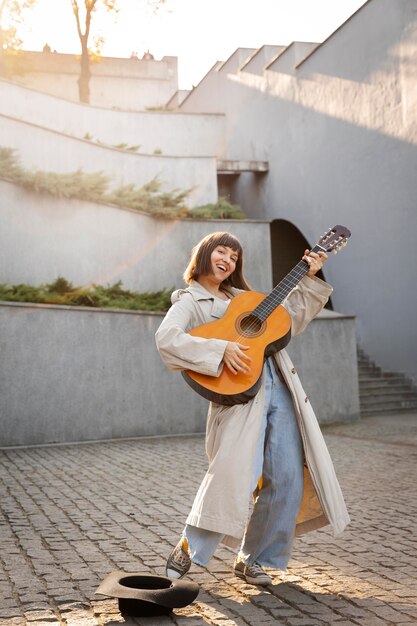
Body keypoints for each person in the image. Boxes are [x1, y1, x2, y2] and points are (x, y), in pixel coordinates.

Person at [155, 231, 350, 586]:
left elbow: (291, 317)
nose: (228, 259)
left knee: (288, 477)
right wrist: (219, 350)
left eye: (234, 256)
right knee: (233, 477)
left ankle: (253, 558)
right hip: (239, 396)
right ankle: (189, 545)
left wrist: (310, 275)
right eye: (221, 251)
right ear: (204, 255)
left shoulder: (247, 299)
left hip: (281, 390)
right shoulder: (190, 300)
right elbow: (167, 340)